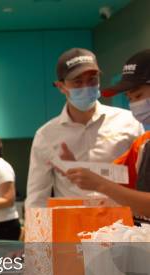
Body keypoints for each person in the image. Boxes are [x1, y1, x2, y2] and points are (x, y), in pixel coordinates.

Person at [25, 48, 144, 209]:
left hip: (123, 225)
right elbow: (37, 197)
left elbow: (141, 179)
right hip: (72, 226)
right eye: (78, 82)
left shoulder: (129, 122)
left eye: (92, 80)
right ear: (61, 86)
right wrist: (35, 232)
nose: (86, 86)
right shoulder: (46, 135)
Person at [63, 49, 150, 224]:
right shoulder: (144, 143)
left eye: (139, 95)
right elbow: (118, 173)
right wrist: (77, 168)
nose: (135, 105)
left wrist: (100, 185)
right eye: (130, 98)